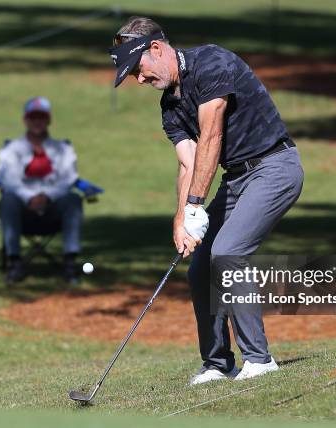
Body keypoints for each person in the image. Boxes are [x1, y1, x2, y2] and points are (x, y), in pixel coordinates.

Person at [109, 17, 304, 385]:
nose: (139, 79)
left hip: (275, 167)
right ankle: (217, 363)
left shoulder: (212, 63)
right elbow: (188, 162)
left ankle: (259, 360)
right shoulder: (170, 108)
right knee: (201, 268)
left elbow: (211, 136)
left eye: (138, 69)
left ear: (156, 49)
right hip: (237, 179)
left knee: (229, 252)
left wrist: (197, 204)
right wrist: (181, 219)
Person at [0, 96, 83, 285]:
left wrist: (47, 196)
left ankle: (69, 263)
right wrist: (29, 197)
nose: (37, 122)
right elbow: (9, 181)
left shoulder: (63, 149)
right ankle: (15, 263)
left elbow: (69, 179)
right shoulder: (11, 149)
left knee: (73, 200)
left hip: (53, 208)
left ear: (49, 119)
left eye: (41, 117)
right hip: (23, 209)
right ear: (25, 120)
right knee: (8, 200)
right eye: (33, 117)